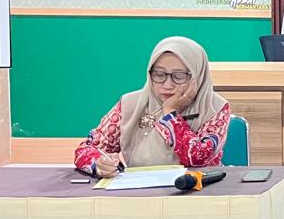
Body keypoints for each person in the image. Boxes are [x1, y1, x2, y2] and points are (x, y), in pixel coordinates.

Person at [74, 37, 232, 177]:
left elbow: (197, 158)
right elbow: (87, 150)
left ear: (197, 75)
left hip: (199, 190)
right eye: (159, 75)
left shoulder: (215, 107)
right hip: (140, 192)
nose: (167, 85)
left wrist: (170, 114)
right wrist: (100, 164)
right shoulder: (131, 104)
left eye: (178, 76)